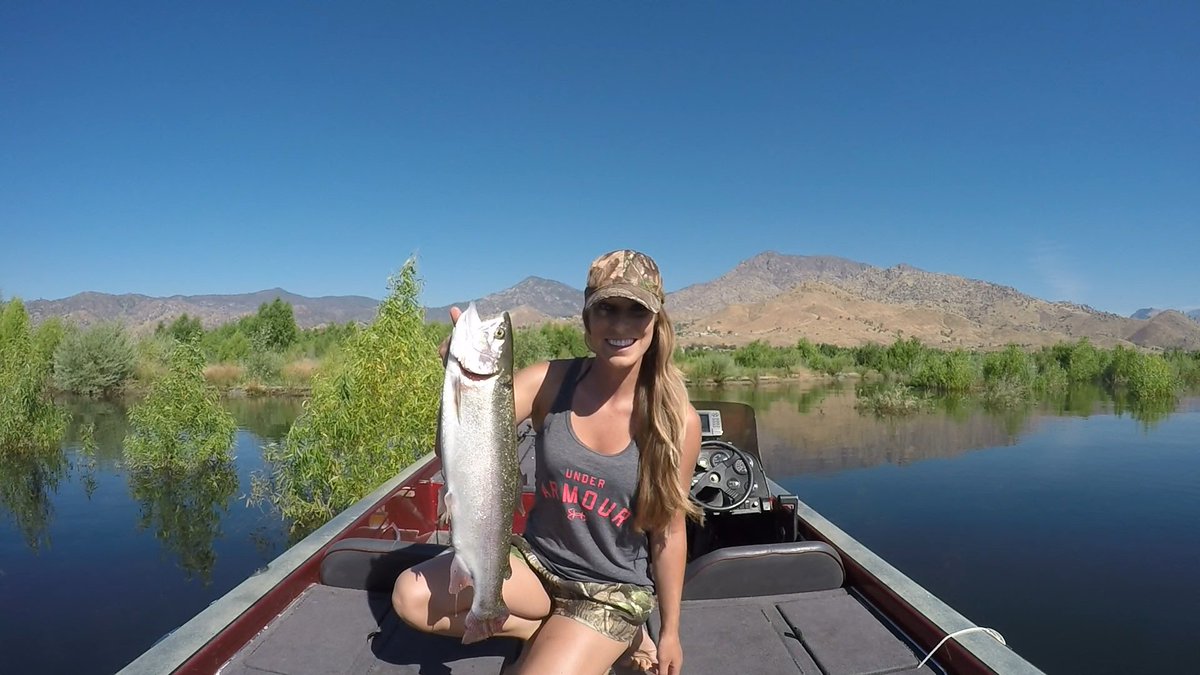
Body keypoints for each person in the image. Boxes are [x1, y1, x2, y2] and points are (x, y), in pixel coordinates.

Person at [392, 249, 703, 675]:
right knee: (410, 597)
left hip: (607, 589)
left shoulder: (675, 421)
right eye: (607, 309)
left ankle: (624, 634)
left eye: (636, 312)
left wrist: (670, 632)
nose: (619, 326)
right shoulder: (549, 381)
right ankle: (537, 629)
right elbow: (455, 447)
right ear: (587, 320)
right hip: (537, 566)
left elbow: (668, 532)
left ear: (656, 322)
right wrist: (457, 382)